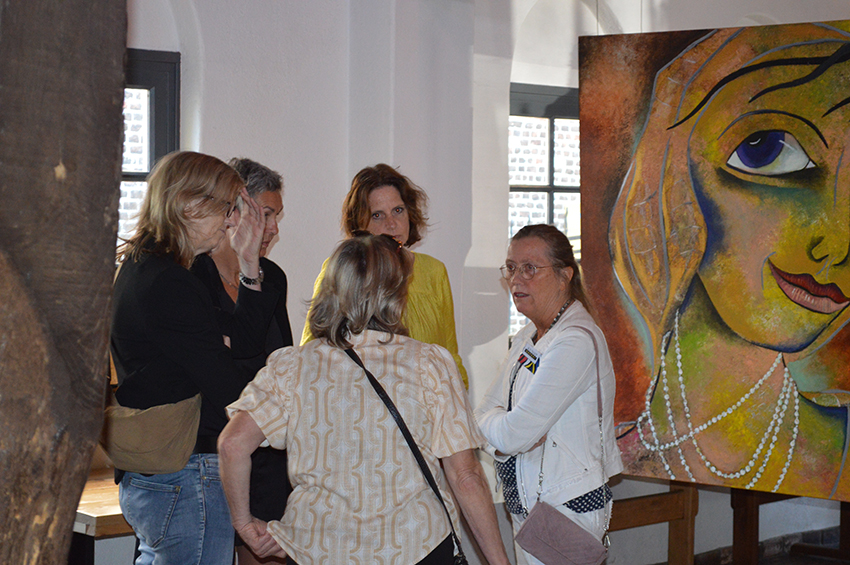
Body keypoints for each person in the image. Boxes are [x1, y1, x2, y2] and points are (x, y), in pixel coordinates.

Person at [607, 23, 850, 498]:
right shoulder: (613, 447)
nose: (838, 246)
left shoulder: (838, 444)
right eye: (769, 150)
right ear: (673, 179)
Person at [219, 233, 510, 565]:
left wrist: (244, 524)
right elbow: (466, 476)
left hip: (320, 551)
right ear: (396, 293)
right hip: (416, 546)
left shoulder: (292, 366)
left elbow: (232, 445)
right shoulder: (429, 363)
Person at [111, 151, 276, 565]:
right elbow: (227, 386)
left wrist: (250, 264)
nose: (231, 221)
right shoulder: (169, 282)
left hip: (163, 472)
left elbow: (242, 343)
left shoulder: (150, 268)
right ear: (189, 205)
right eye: (226, 207)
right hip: (184, 472)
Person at [475, 224, 623, 565]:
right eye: (511, 268)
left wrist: (502, 431)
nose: (516, 279)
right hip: (528, 507)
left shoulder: (576, 340)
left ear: (564, 276)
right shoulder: (528, 336)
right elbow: (484, 416)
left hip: (565, 510)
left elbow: (512, 433)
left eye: (530, 268)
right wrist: (502, 436)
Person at [191, 157, 292, 565]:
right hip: (208, 449)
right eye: (264, 214)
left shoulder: (273, 277)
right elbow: (215, 369)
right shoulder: (194, 275)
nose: (273, 228)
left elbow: (278, 363)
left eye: (277, 216)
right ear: (232, 212)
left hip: (267, 450)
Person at [300, 163, 468, 387]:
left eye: (398, 211)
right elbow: (311, 350)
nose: (392, 224)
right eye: (378, 215)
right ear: (361, 223)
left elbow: (450, 356)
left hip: (425, 401)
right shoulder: (340, 269)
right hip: (361, 401)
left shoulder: (434, 271)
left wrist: (458, 396)